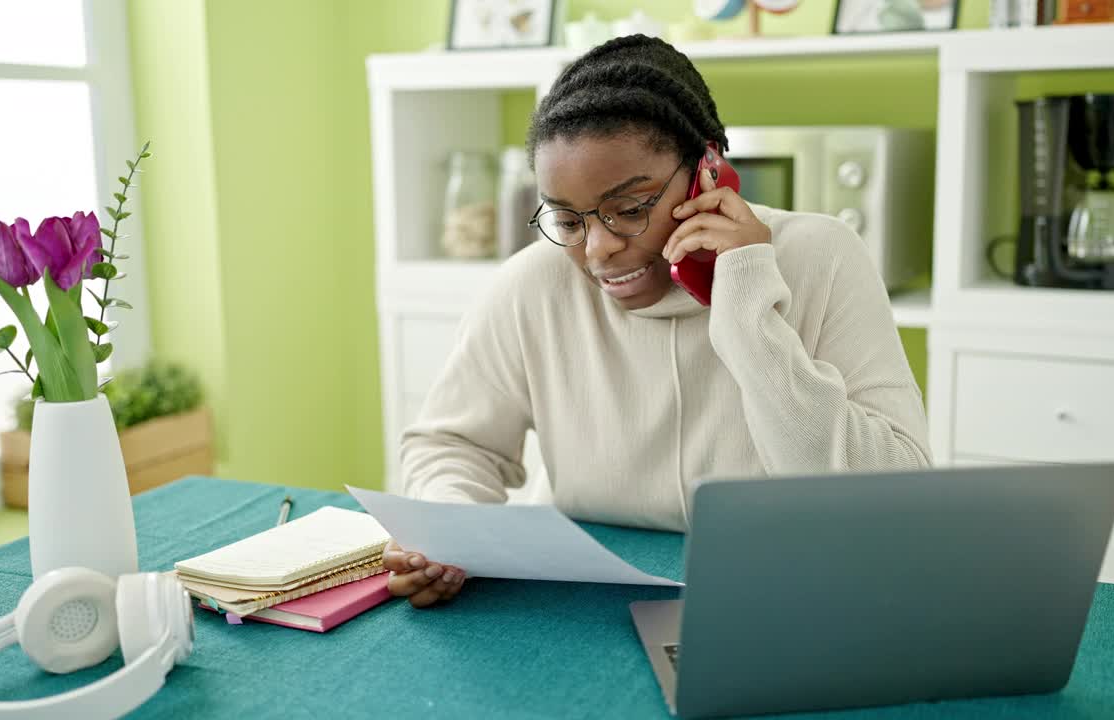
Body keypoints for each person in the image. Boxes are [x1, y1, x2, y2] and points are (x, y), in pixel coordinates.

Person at [381, 35, 931, 608]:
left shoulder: (822, 256)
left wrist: (747, 310)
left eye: (630, 208)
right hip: (579, 602)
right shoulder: (534, 282)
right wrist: (451, 534)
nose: (598, 250)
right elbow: (452, 445)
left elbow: (893, 501)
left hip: (784, 596)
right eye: (568, 219)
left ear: (709, 171)